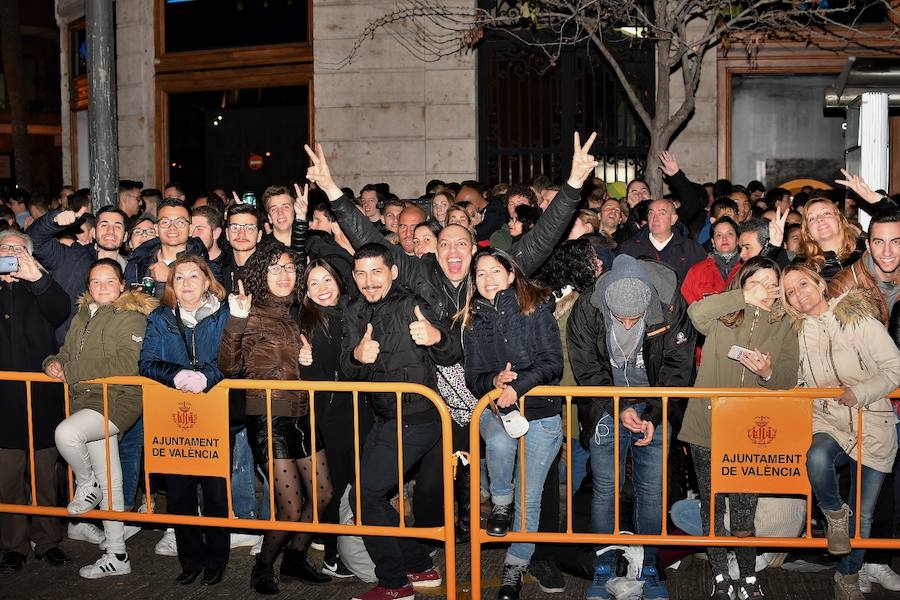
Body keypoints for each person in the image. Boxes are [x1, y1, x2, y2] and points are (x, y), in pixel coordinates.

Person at [567, 254, 696, 600]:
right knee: (605, 488)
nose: (626, 326)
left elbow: (677, 368)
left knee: (652, 490)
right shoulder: (588, 306)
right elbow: (585, 365)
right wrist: (618, 406)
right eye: (619, 319)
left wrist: (654, 415)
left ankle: (649, 566)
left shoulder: (669, 304)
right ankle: (603, 566)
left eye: (634, 319)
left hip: (655, 401)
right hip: (605, 404)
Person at [338, 243, 460, 600]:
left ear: (392, 271)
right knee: (365, 499)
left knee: (367, 496)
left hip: (418, 417)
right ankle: (419, 564)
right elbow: (347, 372)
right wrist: (357, 358)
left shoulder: (412, 303)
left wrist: (435, 338)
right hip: (385, 417)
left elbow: (453, 350)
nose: (368, 280)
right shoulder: (355, 309)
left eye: (376, 271)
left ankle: (394, 583)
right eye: (360, 273)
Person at [679, 257, 799, 600]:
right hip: (707, 423)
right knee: (712, 504)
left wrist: (767, 374)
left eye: (771, 283)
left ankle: (747, 577)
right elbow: (695, 314)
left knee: (745, 506)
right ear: (744, 284)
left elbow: (789, 375)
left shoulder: (784, 324)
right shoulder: (724, 314)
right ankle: (719, 576)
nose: (766, 290)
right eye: (757, 282)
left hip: (750, 430)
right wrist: (742, 298)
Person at [219, 243, 334, 594]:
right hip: (268, 417)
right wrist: (236, 318)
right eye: (274, 269)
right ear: (259, 274)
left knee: (324, 494)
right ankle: (264, 565)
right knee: (291, 507)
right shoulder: (249, 312)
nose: (284, 275)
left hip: (301, 414)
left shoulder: (294, 312)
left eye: (288, 267)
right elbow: (228, 366)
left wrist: (307, 357)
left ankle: (295, 560)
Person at [781, 264, 900, 600]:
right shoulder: (797, 331)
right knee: (816, 456)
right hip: (828, 419)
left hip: (872, 419)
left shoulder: (856, 318)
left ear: (820, 284)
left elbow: (896, 368)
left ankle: (847, 577)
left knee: (862, 514)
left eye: (802, 283)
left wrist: (859, 392)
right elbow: (792, 378)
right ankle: (833, 514)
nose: (798, 293)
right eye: (789, 291)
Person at [45, 259, 156, 579]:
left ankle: (85, 482)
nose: (103, 287)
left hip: (118, 399)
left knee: (66, 434)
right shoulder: (83, 315)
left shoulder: (132, 315)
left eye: (110, 281)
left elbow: (125, 361)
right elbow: (65, 354)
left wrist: (72, 372)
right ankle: (117, 553)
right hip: (86, 400)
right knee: (112, 481)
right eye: (96, 282)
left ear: (122, 285)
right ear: (88, 287)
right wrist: (51, 363)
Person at [463, 248, 563, 600]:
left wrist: (517, 386)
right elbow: (472, 378)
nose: (486, 279)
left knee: (530, 499)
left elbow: (553, 363)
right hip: (494, 413)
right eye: (479, 274)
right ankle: (500, 501)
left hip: (541, 413)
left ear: (510, 274)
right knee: (501, 444)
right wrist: (494, 382)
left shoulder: (534, 309)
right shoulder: (472, 319)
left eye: (494, 271)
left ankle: (514, 568)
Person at [138, 256, 230, 586]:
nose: (187, 282)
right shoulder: (161, 317)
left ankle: (217, 559)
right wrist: (177, 374)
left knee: (217, 493)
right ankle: (190, 560)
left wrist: (207, 375)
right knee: (179, 494)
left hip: (215, 412)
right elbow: (147, 362)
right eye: (179, 277)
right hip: (173, 416)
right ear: (171, 285)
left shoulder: (224, 315)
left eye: (194, 275)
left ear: (208, 281)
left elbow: (233, 359)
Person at [0, 231, 71, 575]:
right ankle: (12, 545)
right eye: (4, 247)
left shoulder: (41, 284)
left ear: (29, 255)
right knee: (7, 478)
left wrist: (37, 277)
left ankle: (47, 541)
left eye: (17, 248)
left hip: (41, 397)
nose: (10, 252)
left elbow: (60, 310)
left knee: (45, 474)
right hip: (3, 403)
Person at [298, 258, 374, 578]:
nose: (322, 289)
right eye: (313, 283)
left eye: (326, 280)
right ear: (306, 291)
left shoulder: (355, 312)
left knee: (362, 484)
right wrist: (304, 361)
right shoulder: (304, 320)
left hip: (363, 410)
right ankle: (332, 554)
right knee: (333, 487)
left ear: (339, 281)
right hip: (329, 416)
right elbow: (313, 375)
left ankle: (360, 543)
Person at [29, 205, 129, 344]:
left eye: (117, 226)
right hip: (68, 351)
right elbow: (34, 242)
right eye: (104, 224)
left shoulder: (134, 271)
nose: (110, 231)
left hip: (113, 355)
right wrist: (54, 220)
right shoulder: (71, 257)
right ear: (93, 232)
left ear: (125, 236)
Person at [828, 208, 900, 325]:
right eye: (879, 242)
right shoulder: (844, 287)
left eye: (895, 242)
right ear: (868, 245)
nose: (887, 252)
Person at [618, 198, 706, 282]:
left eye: (661, 213)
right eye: (651, 213)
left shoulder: (692, 250)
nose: (655, 219)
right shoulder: (629, 249)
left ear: (673, 219)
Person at [796, 197, 864, 281]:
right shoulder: (802, 267)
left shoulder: (865, 249)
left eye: (826, 213)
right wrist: (775, 248)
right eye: (812, 218)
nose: (819, 219)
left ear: (839, 220)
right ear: (809, 234)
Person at [681, 217, 741, 305]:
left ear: (738, 240)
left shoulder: (749, 269)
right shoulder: (697, 271)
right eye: (719, 235)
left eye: (730, 234)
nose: (724, 238)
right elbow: (690, 307)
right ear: (713, 242)